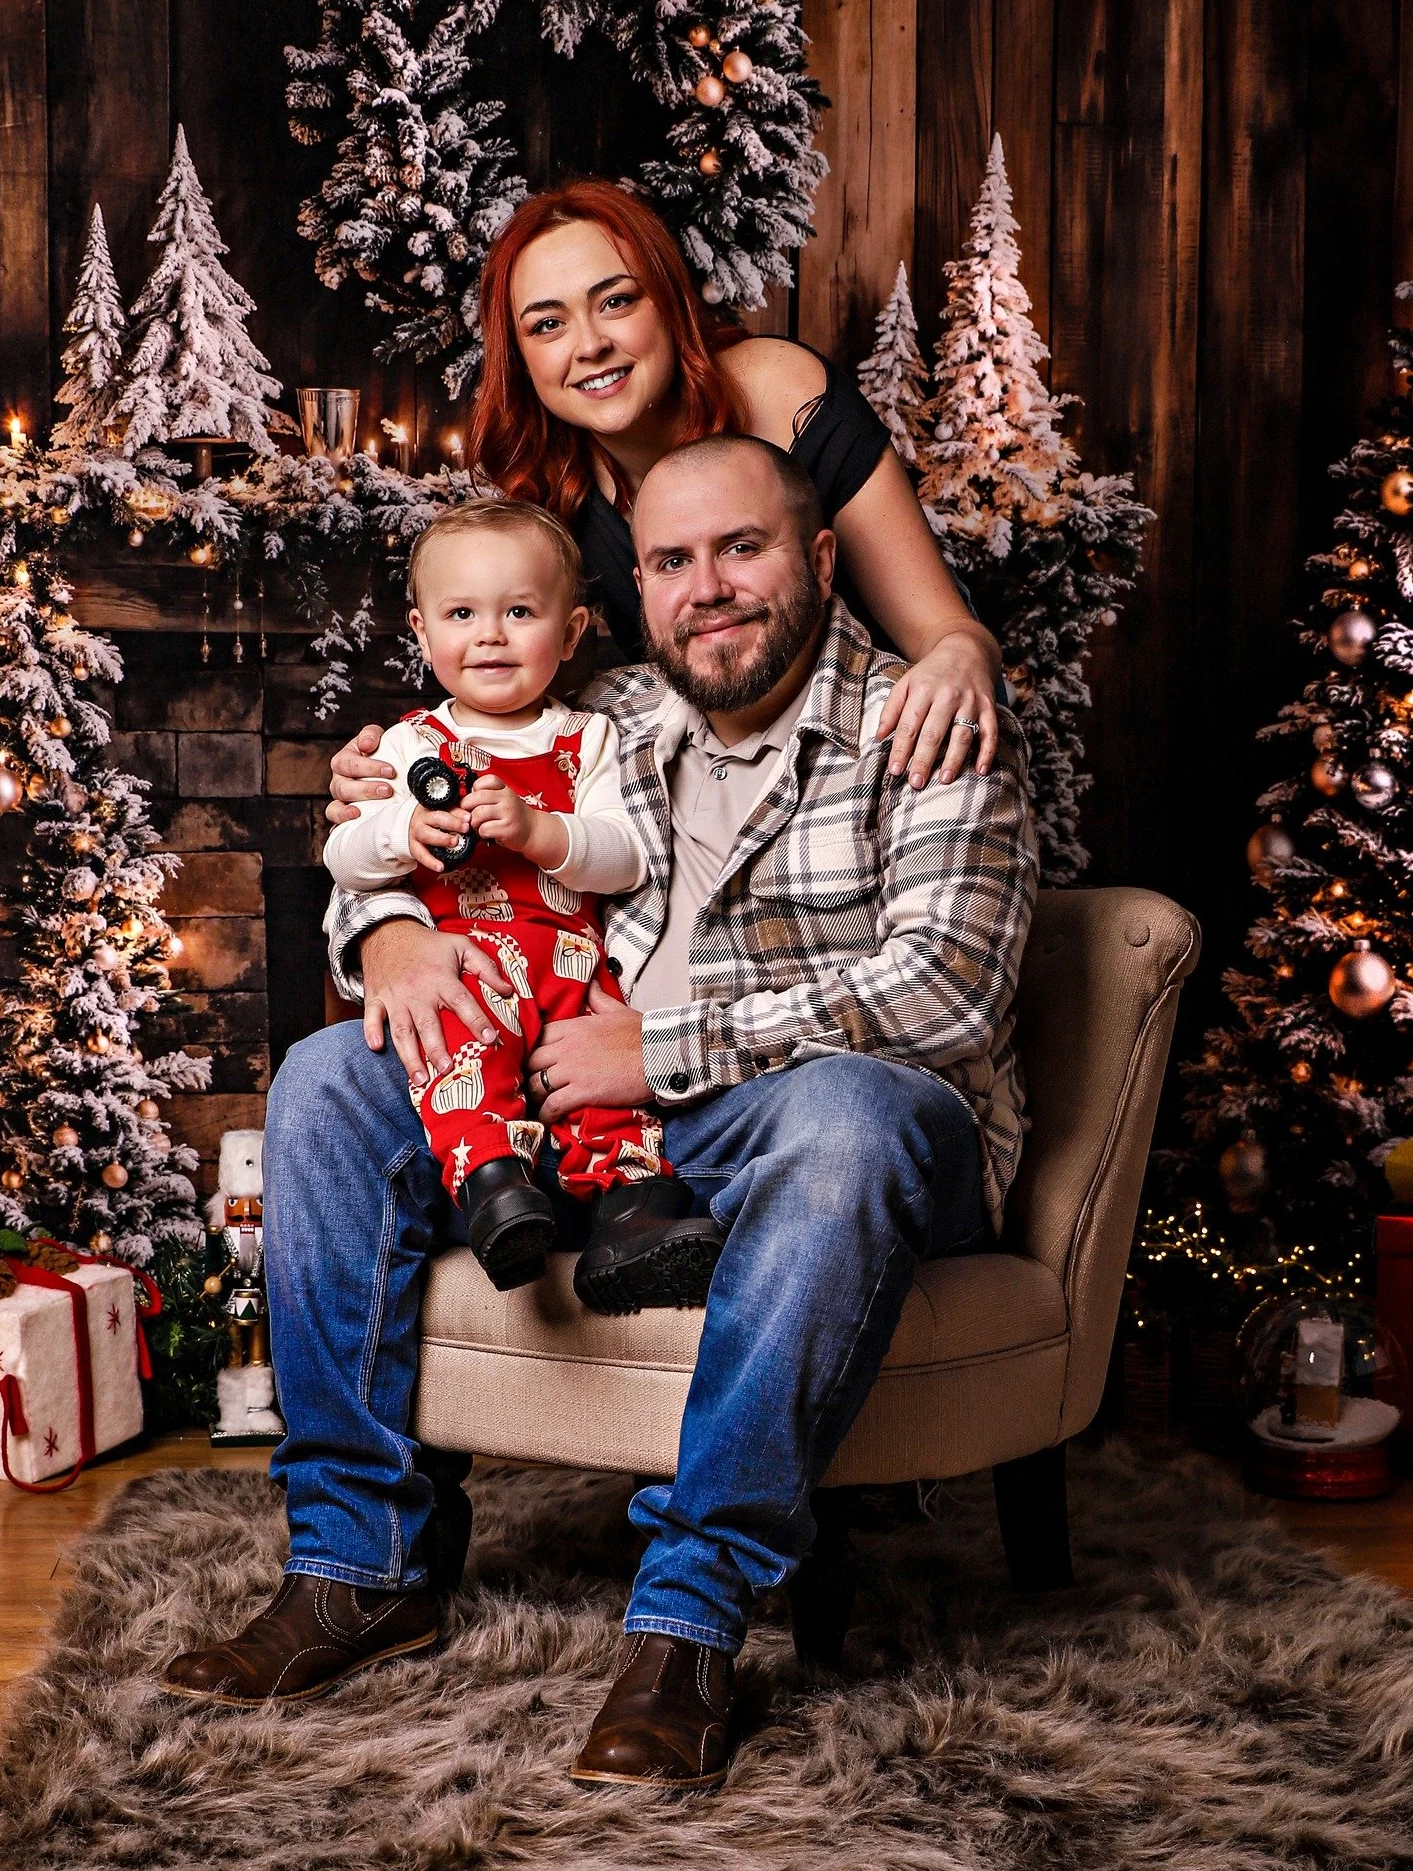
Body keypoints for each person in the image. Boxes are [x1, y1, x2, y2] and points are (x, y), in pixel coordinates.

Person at [163, 435, 1037, 1799]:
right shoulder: (605, 716)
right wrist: (381, 924)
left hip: (817, 1125)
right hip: (582, 1109)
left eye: (739, 549)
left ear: (814, 559)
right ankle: (357, 1567)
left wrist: (661, 1053)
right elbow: (419, 820)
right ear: (631, 595)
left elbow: (947, 995)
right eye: (671, 562)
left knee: (852, 1117)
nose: (708, 588)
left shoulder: (921, 718)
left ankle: (688, 1616)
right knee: (330, 1083)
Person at [466, 177, 1003, 794]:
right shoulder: (550, 484)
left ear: (668, 302)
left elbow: (944, 631)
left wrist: (962, 657)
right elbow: (538, 703)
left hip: (896, 750)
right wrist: (403, 764)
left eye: (615, 301)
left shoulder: (779, 394)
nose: (590, 345)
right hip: (721, 771)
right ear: (519, 355)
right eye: (547, 325)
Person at [320, 497, 722, 1313]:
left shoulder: (589, 739)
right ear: (422, 633)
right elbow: (344, 856)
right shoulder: (406, 748)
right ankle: (497, 1193)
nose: (490, 635)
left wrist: (540, 830)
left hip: (573, 963)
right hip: (465, 963)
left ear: (570, 634)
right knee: (459, 1062)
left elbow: (623, 855)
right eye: (462, 613)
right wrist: (404, 830)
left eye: (519, 612)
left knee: (605, 1096)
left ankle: (628, 1216)